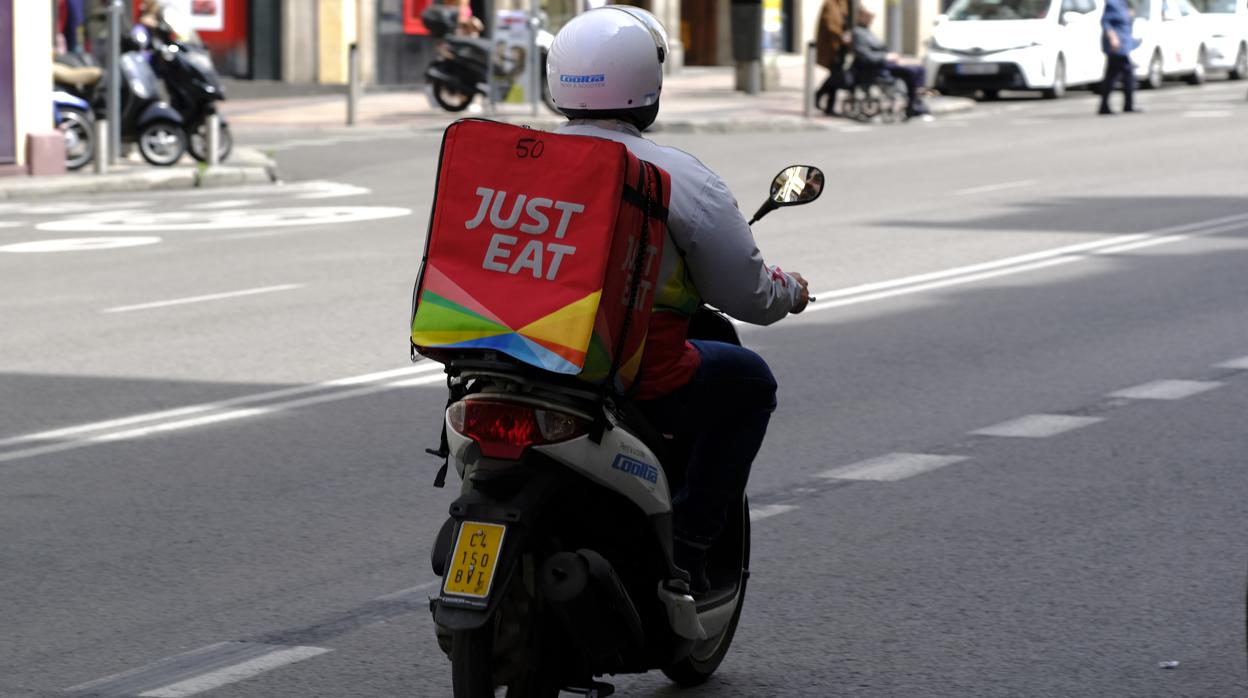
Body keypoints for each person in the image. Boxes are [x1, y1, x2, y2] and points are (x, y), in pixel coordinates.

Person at [546, 7, 811, 593]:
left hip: (512, 361)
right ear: (650, 84)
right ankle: (689, 548)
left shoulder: (520, 164)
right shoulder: (680, 177)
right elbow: (749, 293)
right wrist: (789, 292)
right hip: (626, 376)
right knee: (751, 386)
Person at [851, 6, 931, 119]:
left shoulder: (868, 31)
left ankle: (917, 98)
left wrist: (895, 57)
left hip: (886, 63)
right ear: (861, 16)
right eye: (868, 17)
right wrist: (886, 57)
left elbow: (883, 49)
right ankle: (914, 103)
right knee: (910, 72)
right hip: (876, 67)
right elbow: (865, 56)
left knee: (919, 69)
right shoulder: (858, 33)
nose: (871, 20)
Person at [1099, 0, 1139, 114]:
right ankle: (1128, 105)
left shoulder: (1122, 3)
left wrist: (1129, 14)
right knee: (1128, 74)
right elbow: (1106, 22)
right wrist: (1113, 38)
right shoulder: (1113, 3)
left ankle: (1105, 106)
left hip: (1123, 45)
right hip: (1117, 46)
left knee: (1111, 76)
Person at [814, 0, 851, 115]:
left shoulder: (843, 4)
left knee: (834, 77)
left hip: (840, 48)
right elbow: (830, 25)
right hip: (832, 48)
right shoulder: (829, 4)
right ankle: (820, 97)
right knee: (835, 76)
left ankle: (827, 104)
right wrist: (842, 37)